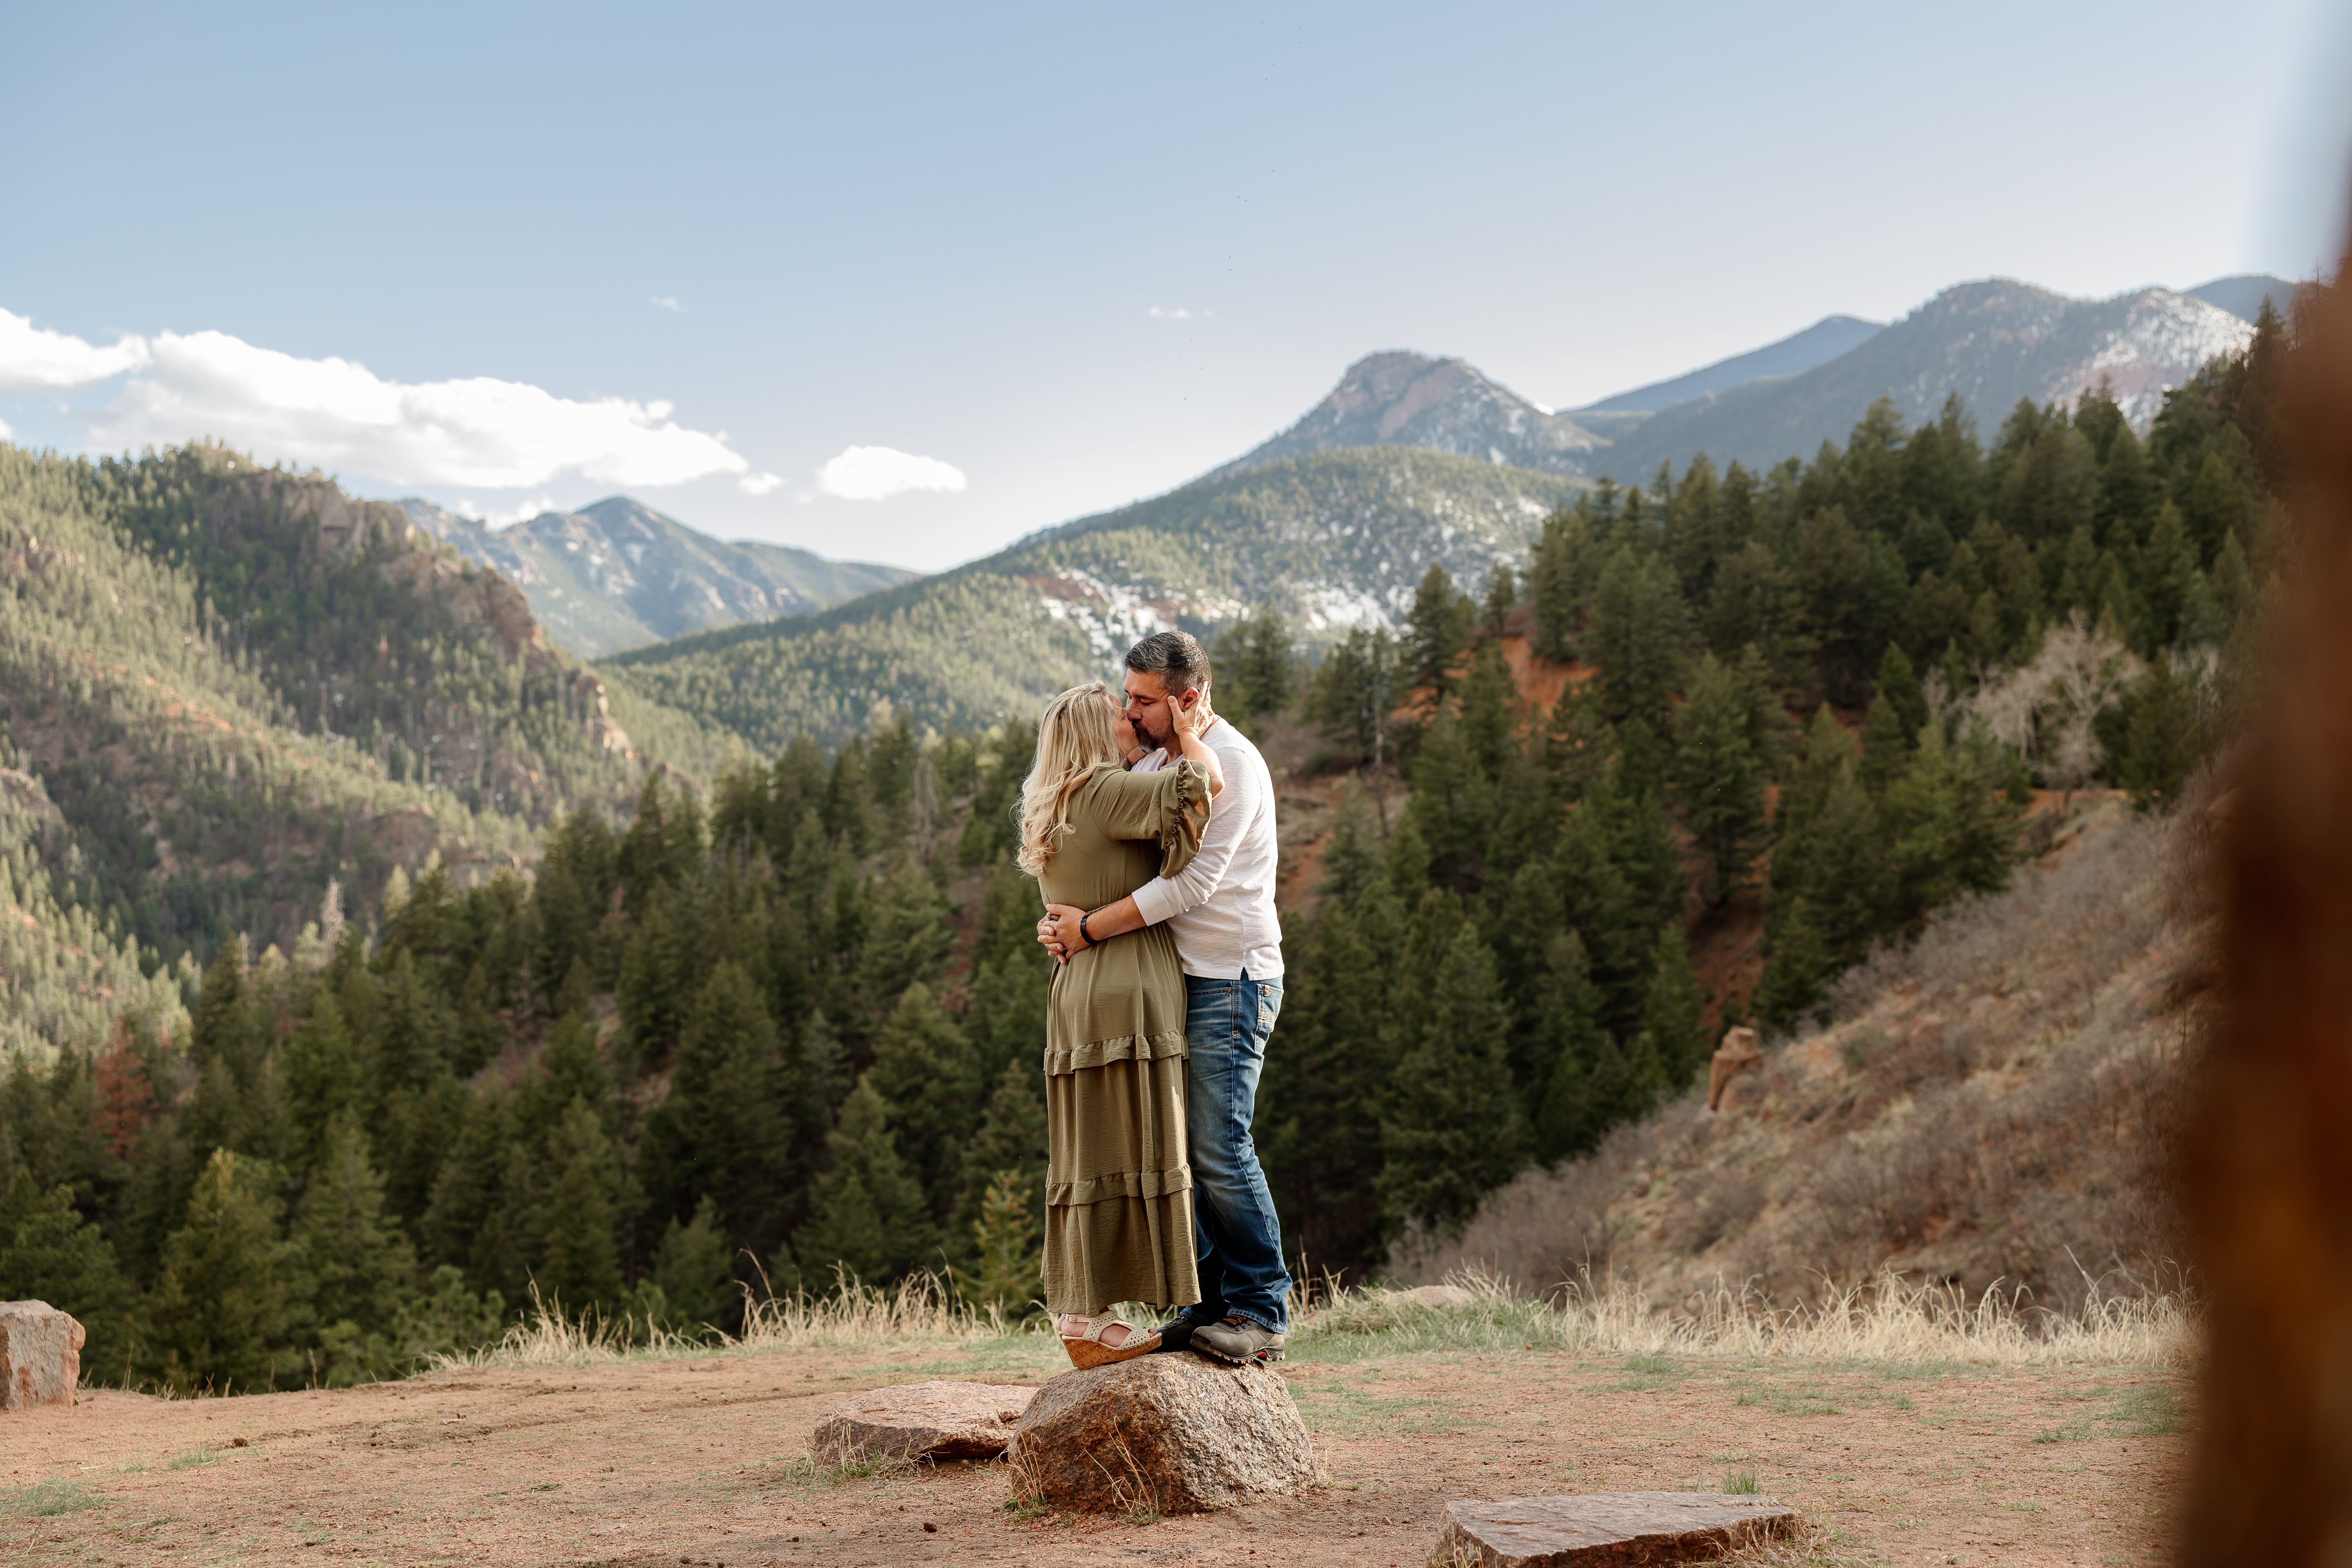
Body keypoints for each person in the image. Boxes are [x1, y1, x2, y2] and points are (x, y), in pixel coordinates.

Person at [1037, 630, 1290, 1366]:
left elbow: (1188, 885)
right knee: (1176, 1149)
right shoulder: (1155, 757)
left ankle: (1260, 1310)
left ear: (1188, 700)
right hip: (1173, 980)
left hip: (1230, 979)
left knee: (1219, 1145)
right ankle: (1203, 1303)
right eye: (1127, 696)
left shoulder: (1232, 764)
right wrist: (1067, 910)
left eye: (1144, 701)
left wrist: (1086, 928)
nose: (1131, 711)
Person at [1017, 680, 1223, 1368]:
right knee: (1123, 1143)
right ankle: (1085, 1317)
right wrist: (1192, 727)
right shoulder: (1104, 790)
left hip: (1079, 983)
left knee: (1090, 1145)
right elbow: (1200, 787)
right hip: (1123, 979)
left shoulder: (1060, 800)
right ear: (1091, 733)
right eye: (1118, 714)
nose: (1131, 719)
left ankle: (1087, 1309)